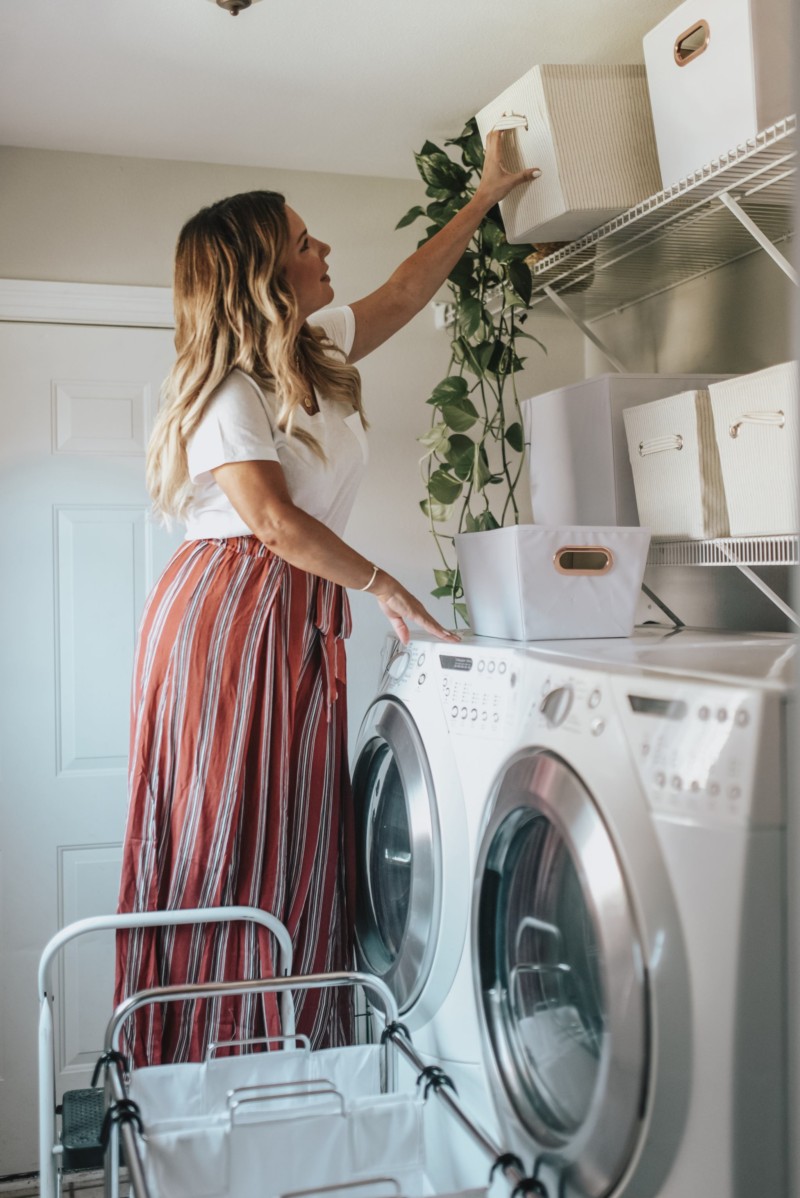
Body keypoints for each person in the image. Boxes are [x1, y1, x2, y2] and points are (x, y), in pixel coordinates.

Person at [115, 130, 537, 1066]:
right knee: (233, 833)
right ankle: (215, 1068)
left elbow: (405, 290)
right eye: (306, 243)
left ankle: (284, 1067)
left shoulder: (309, 350)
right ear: (264, 273)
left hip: (287, 605)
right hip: (233, 614)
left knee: (291, 828)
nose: (324, 252)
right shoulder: (228, 389)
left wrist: (487, 196)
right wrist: (384, 582)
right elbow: (269, 521)